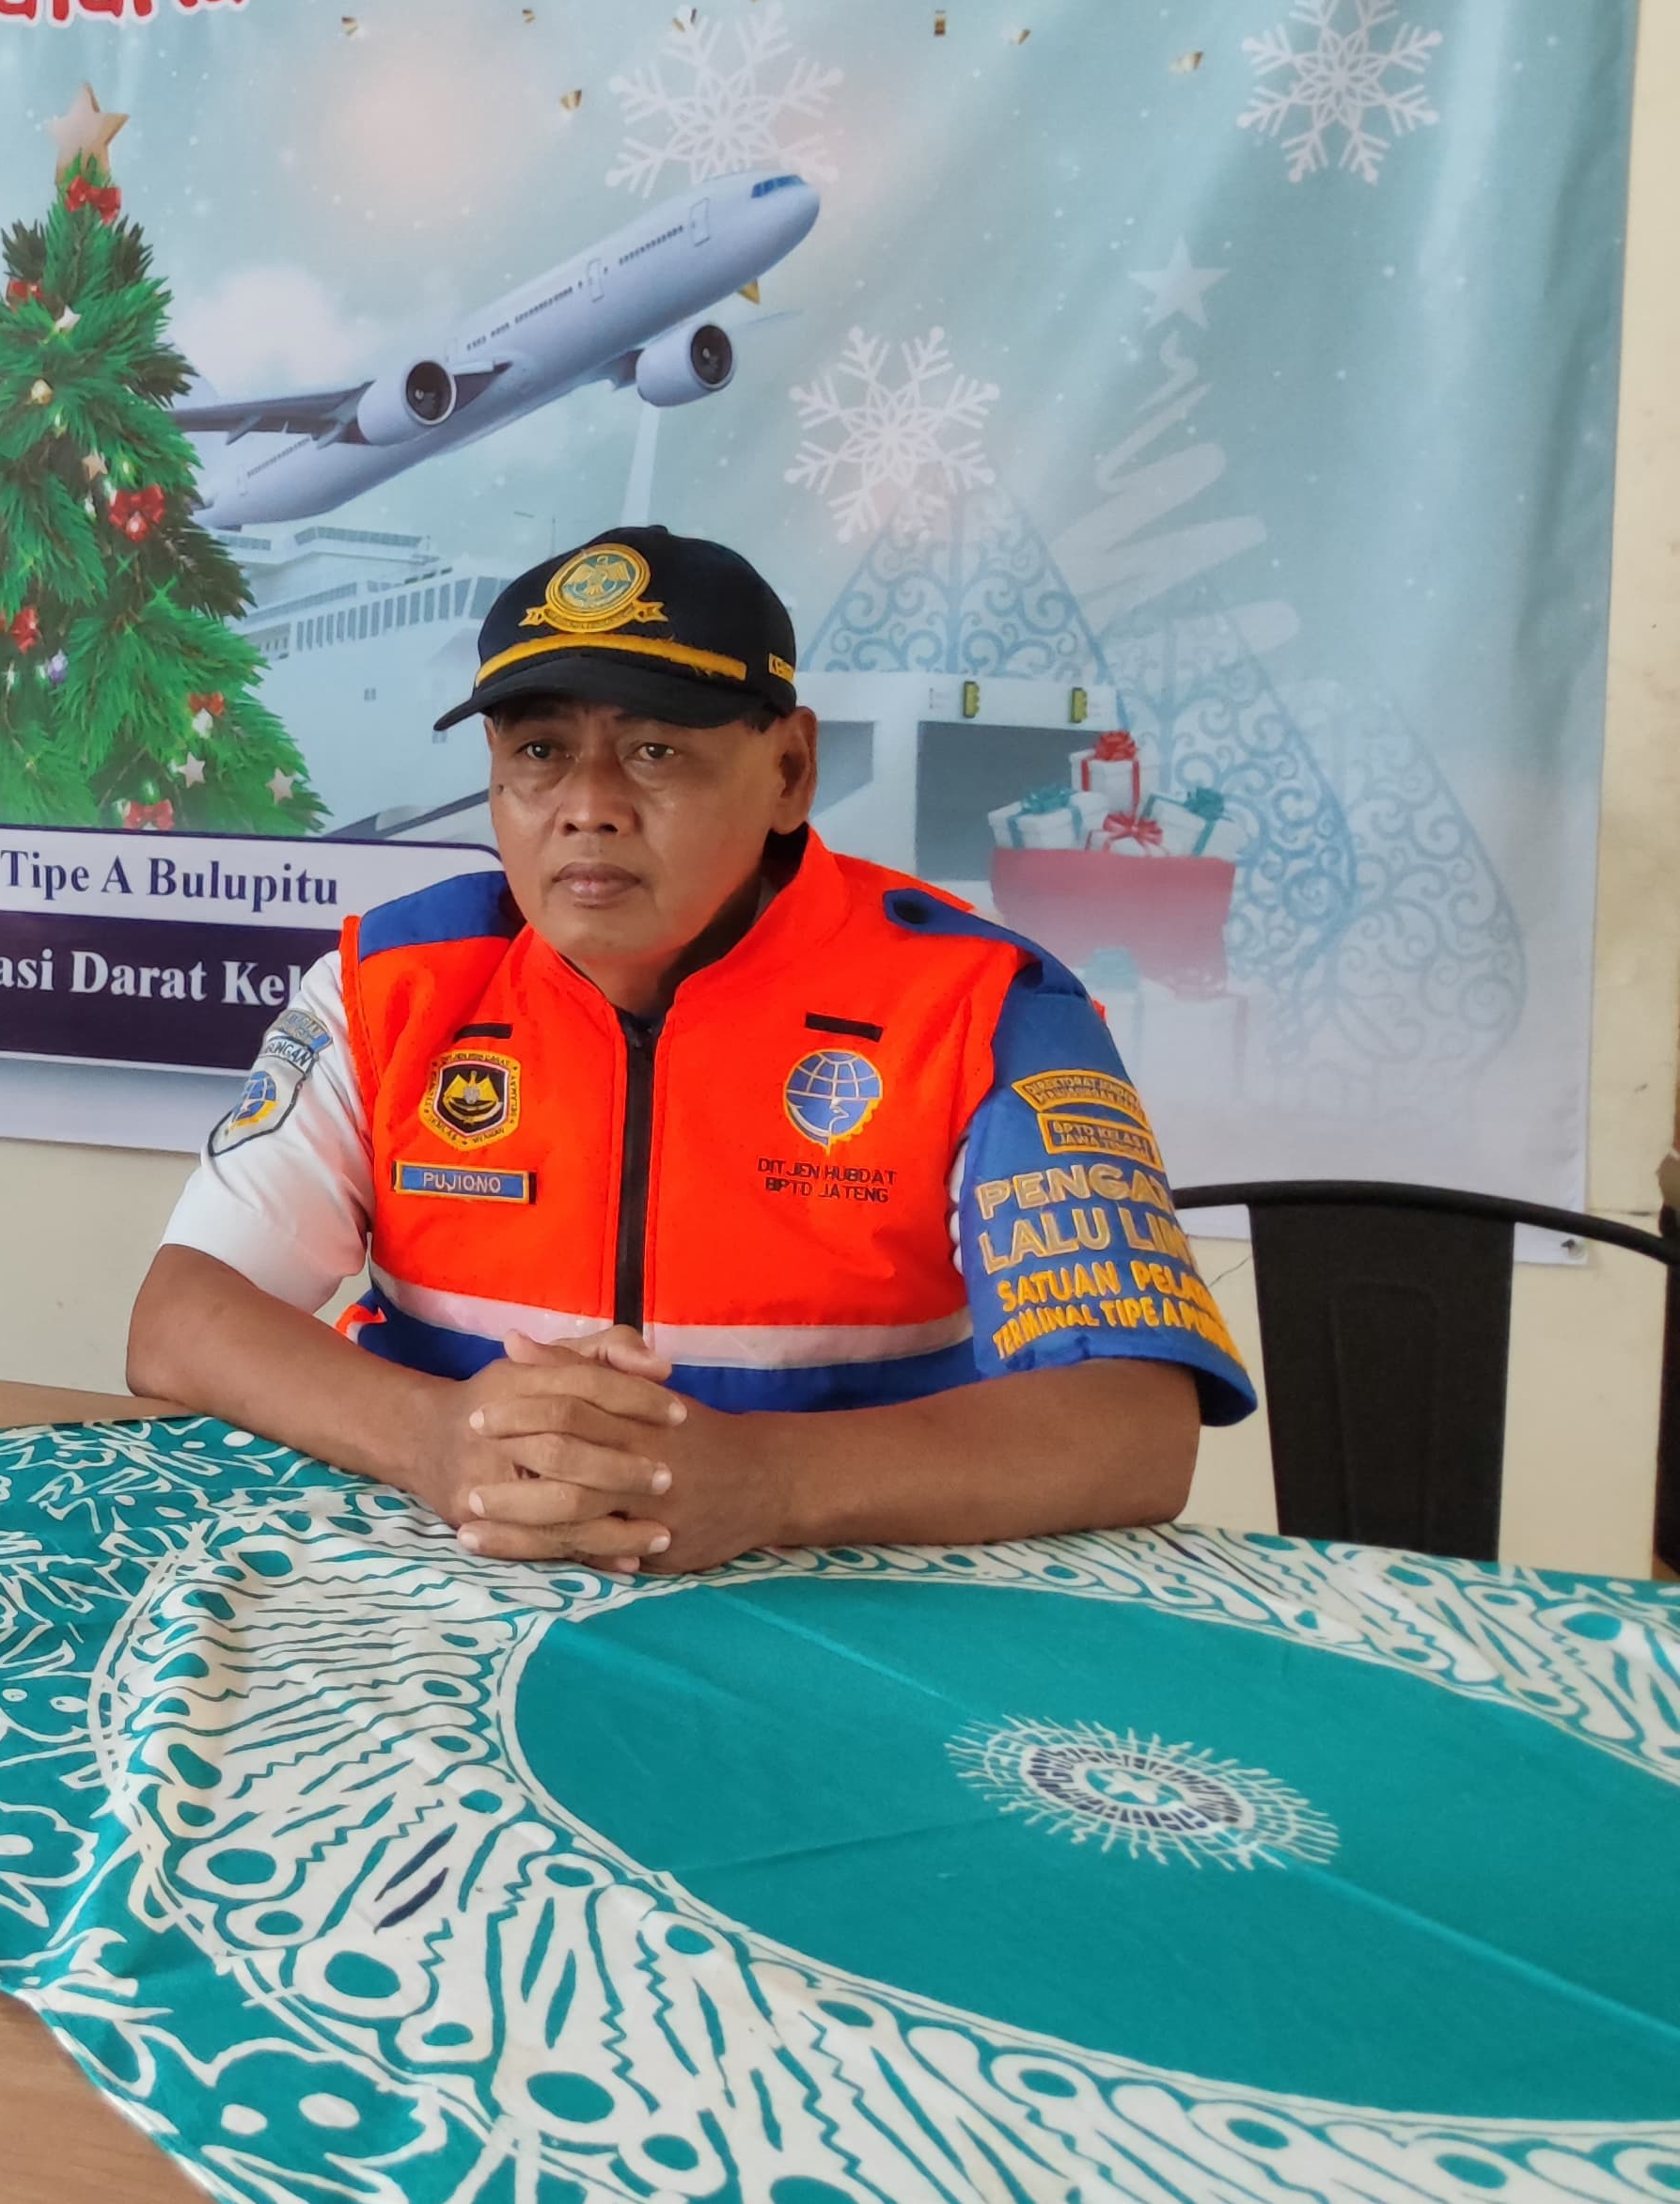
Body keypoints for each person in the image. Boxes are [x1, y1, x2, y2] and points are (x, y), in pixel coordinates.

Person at [126, 525, 1252, 1574]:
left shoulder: (982, 1007)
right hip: (446, 1582)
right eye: (539, 752)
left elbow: (1130, 1427)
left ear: (790, 772)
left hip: (849, 1590)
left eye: (655, 751)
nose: (588, 807)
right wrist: (430, 1435)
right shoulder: (392, 984)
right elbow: (182, 1318)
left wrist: (767, 1483)